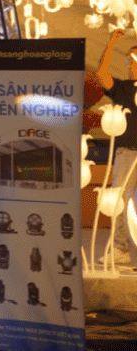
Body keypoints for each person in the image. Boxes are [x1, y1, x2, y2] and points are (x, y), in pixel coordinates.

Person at [95, 28, 137, 266]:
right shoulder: (123, 88)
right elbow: (102, 74)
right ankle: (121, 247)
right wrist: (112, 42)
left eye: (135, 57)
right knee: (120, 197)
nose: (131, 62)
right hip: (128, 151)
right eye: (129, 58)